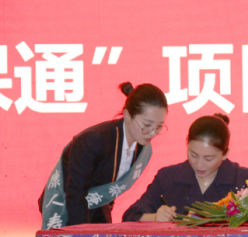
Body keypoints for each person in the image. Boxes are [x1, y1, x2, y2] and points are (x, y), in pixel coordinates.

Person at [38, 82, 168, 229]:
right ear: (127, 115)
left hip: (97, 206)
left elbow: (111, 188)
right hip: (66, 205)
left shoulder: (143, 148)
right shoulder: (93, 140)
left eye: (159, 126)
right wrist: (81, 235)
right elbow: (75, 194)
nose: (152, 132)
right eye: (147, 125)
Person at [123, 114, 248, 222]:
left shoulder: (243, 180)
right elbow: (130, 216)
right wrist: (155, 217)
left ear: (225, 153)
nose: (199, 165)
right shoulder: (168, 177)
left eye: (208, 159)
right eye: (193, 155)